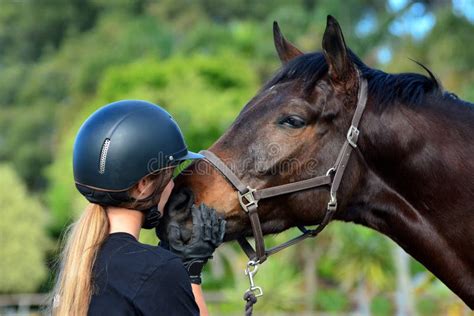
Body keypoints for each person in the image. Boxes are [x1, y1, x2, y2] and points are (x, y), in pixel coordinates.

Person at [51, 100, 225, 315]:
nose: (172, 185)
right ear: (143, 185)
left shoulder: (76, 267)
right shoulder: (158, 271)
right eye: (170, 176)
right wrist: (191, 273)